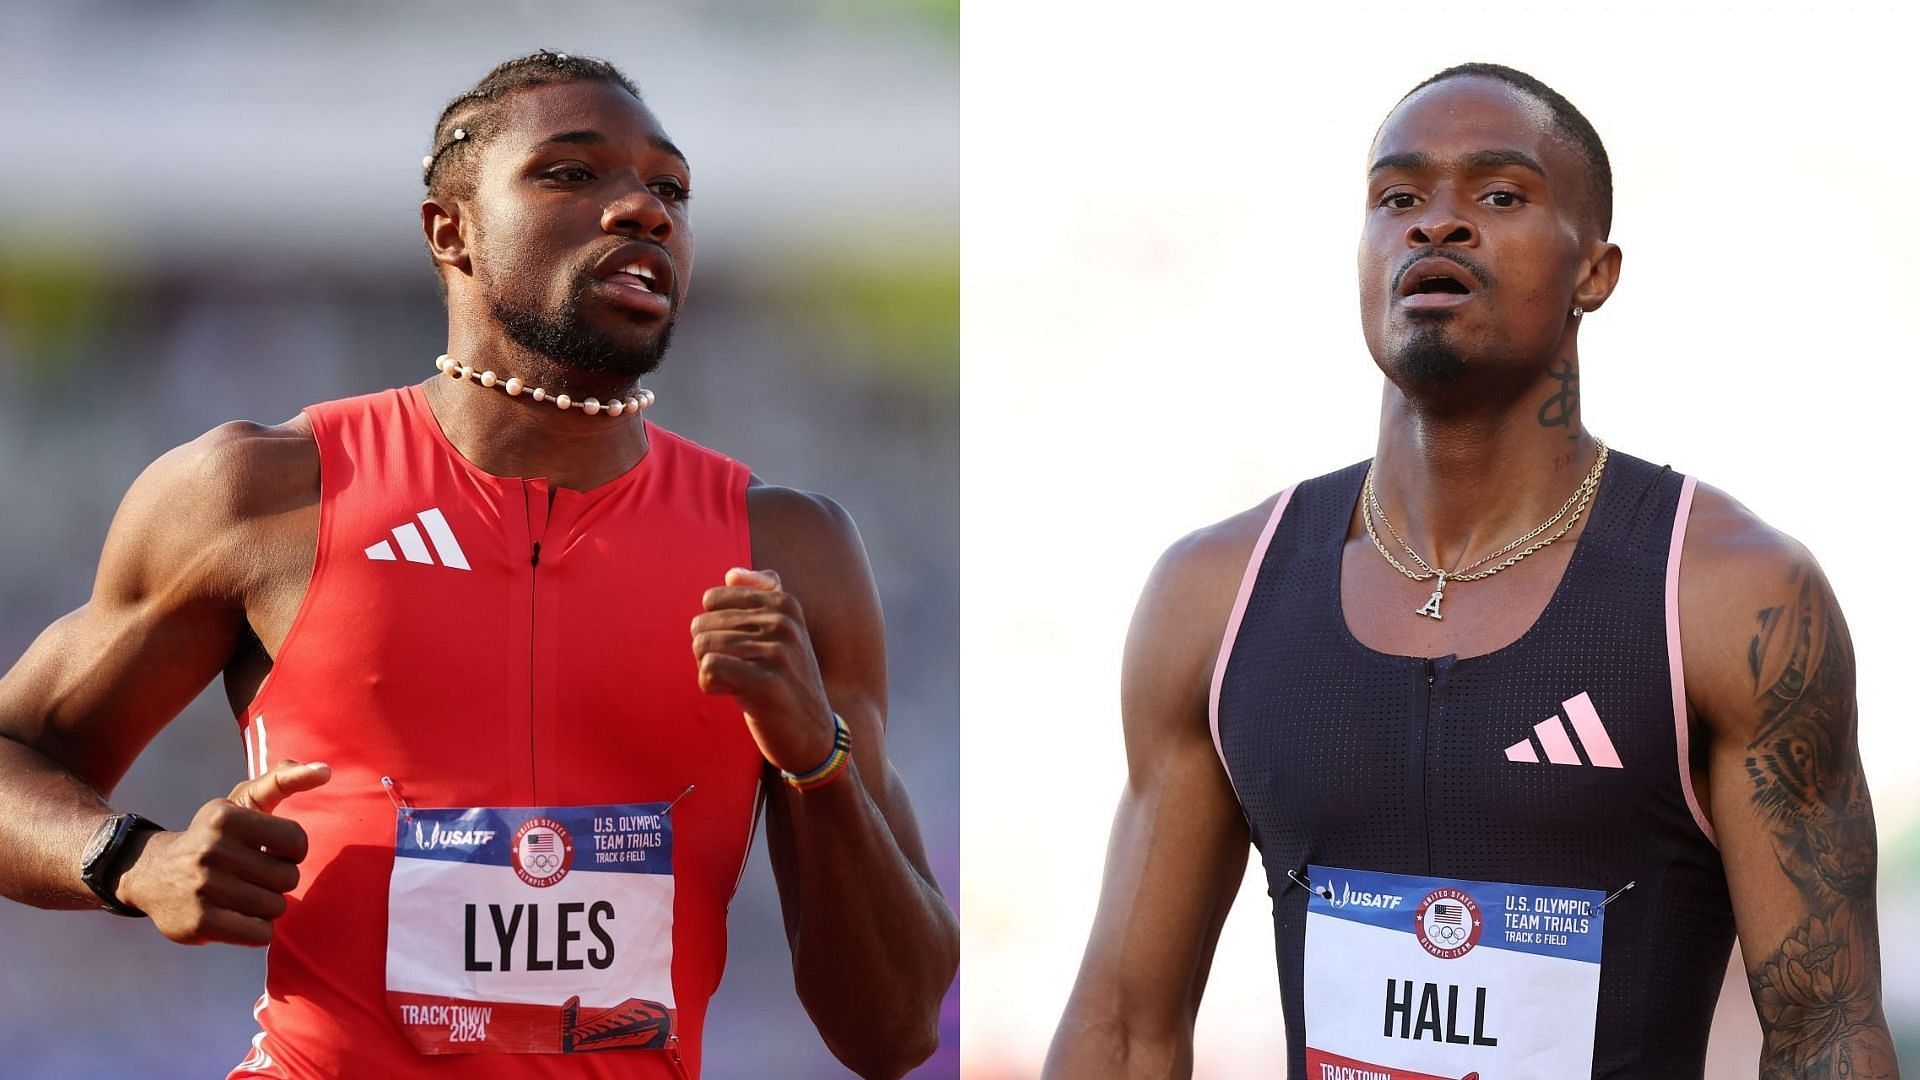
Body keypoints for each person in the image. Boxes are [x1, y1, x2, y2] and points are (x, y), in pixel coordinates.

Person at [0, 51, 956, 1080]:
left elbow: (894, 1032)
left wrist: (817, 752)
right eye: (571, 173)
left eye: (669, 188)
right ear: (449, 230)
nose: (642, 208)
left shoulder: (785, 554)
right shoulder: (265, 494)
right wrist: (132, 862)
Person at [1045, 63, 1896, 1079]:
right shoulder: (1216, 598)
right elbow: (1126, 1025)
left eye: (1499, 194)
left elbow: (1824, 1032)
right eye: (1397, 198)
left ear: (1596, 271)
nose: (1435, 225)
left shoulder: (1728, 597)